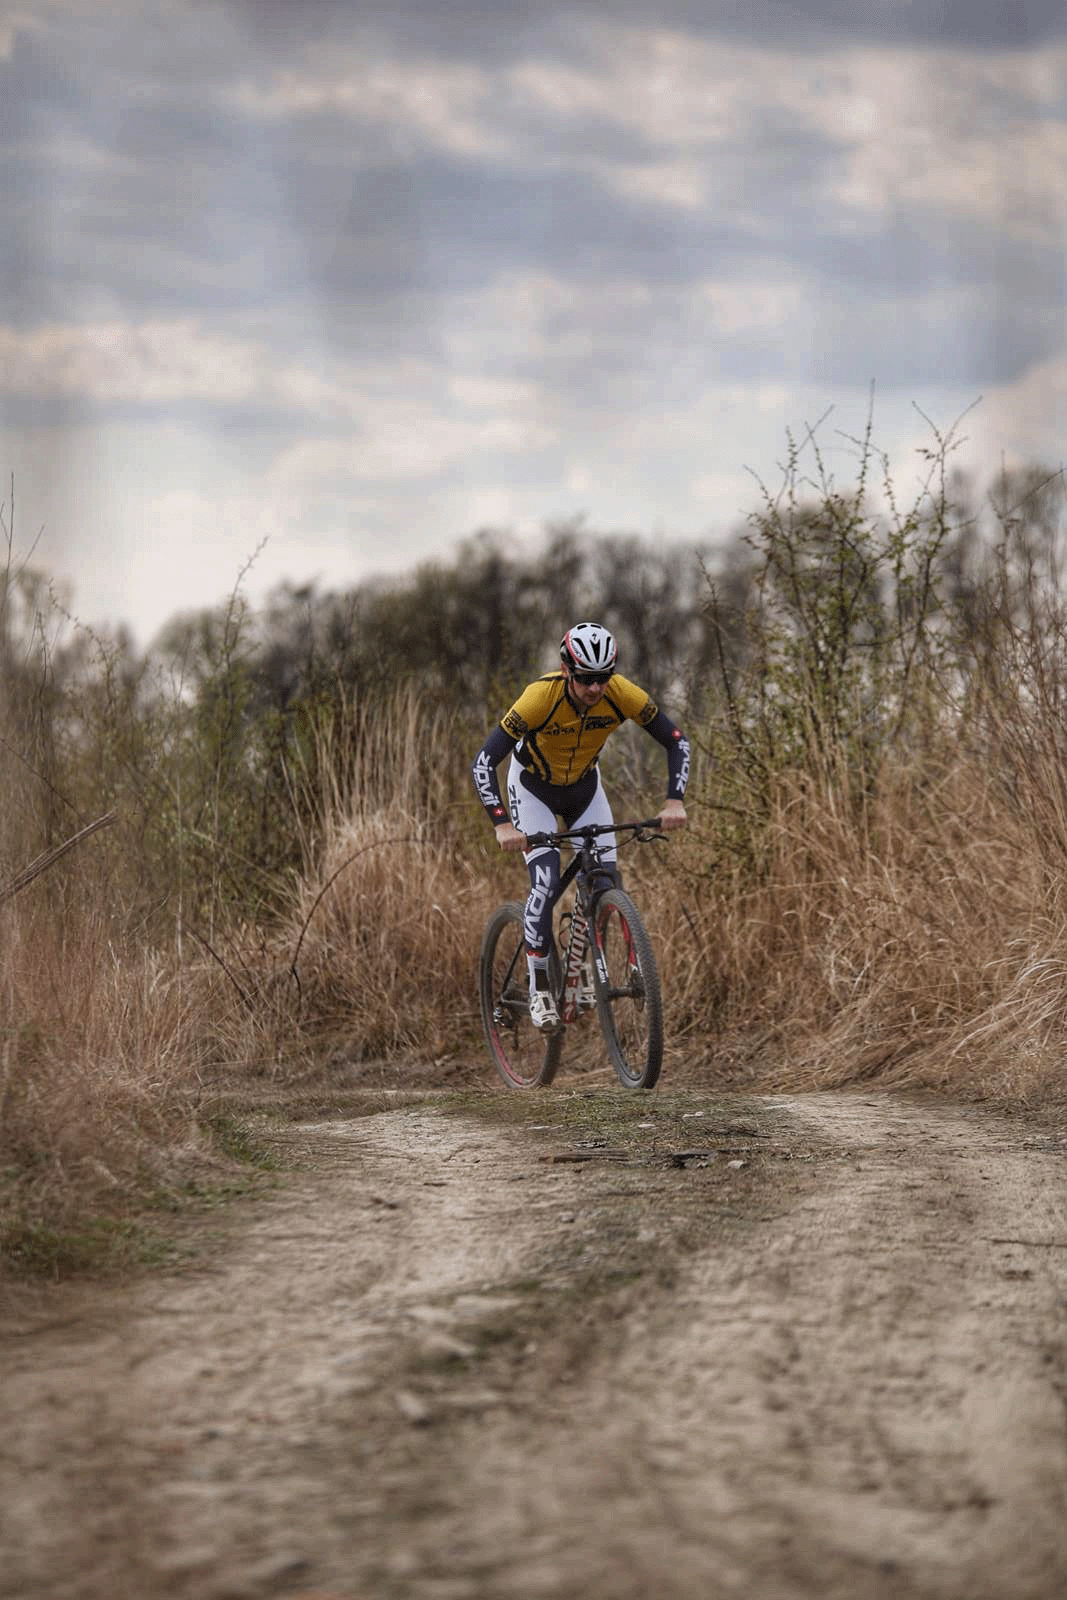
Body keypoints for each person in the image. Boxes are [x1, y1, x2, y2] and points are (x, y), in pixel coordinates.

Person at [471, 621, 689, 1032]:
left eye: (603, 678)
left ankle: (603, 968)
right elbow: (484, 761)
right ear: (567, 670)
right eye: (587, 679)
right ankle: (538, 990)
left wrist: (674, 801)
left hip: (585, 789)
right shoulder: (540, 698)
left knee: (606, 879)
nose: (596, 689)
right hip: (532, 789)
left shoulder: (622, 694)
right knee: (545, 881)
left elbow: (676, 740)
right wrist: (501, 824)